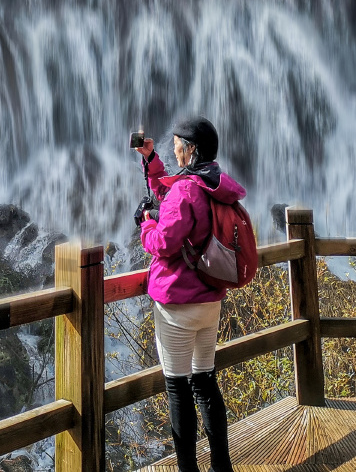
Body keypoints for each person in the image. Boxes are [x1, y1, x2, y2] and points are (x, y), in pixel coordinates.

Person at [133, 116, 243, 472]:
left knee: (179, 389)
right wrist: (151, 161)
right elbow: (174, 195)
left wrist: (146, 223)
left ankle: (188, 470)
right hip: (210, 300)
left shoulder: (187, 189)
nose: (174, 146)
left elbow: (164, 241)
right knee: (205, 383)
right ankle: (221, 466)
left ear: (191, 149)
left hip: (178, 304)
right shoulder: (212, 182)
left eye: (178, 143)